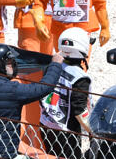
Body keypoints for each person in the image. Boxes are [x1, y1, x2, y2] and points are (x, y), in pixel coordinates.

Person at [39, 27, 94, 159]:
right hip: (66, 131)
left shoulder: (51, 66)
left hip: (46, 123)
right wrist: (92, 131)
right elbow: (79, 110)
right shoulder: (80, 78)